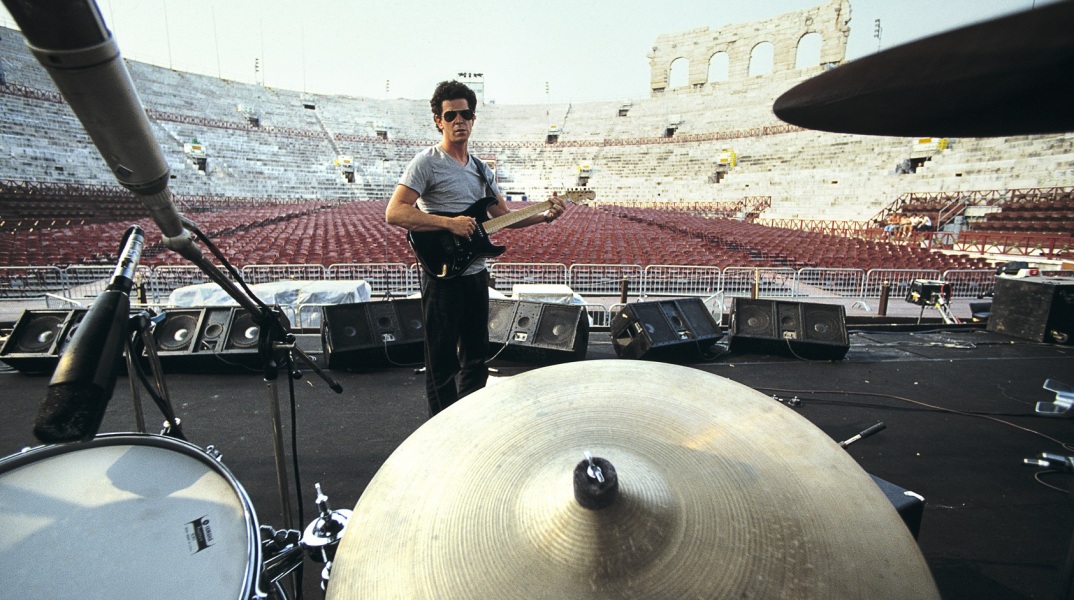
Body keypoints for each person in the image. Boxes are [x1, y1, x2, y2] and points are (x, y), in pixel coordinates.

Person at [385, 80, 567, 417]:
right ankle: (441, 432)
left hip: (474, 275)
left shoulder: (482, 169)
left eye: (465, 114)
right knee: (441, 363)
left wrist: (544, 216)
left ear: (473, 118)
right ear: (439, 120)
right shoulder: (426, 162)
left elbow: (503, 218)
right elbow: (395, 212)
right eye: (450, 115)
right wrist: (449, 222)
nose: (459, 121)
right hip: (442, 277)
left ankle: (466, 422)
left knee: (476, 359)